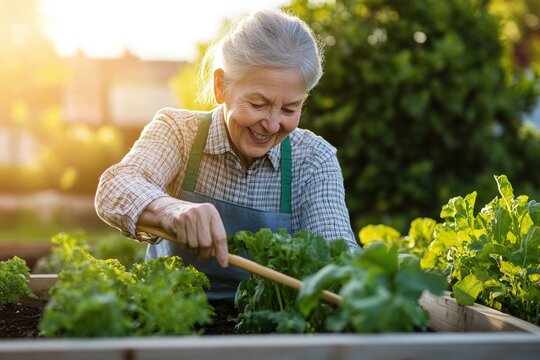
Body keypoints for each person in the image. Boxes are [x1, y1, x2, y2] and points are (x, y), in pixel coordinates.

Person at [95, 9, 359, 300]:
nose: (271, 124)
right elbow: (114, 186)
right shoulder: (179, 133)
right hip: (170, 318)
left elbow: (337, 249)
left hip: (267, 327)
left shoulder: (313, 159)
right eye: (258, 104)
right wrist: (170, 210)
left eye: (289, 109)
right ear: (221, 87)